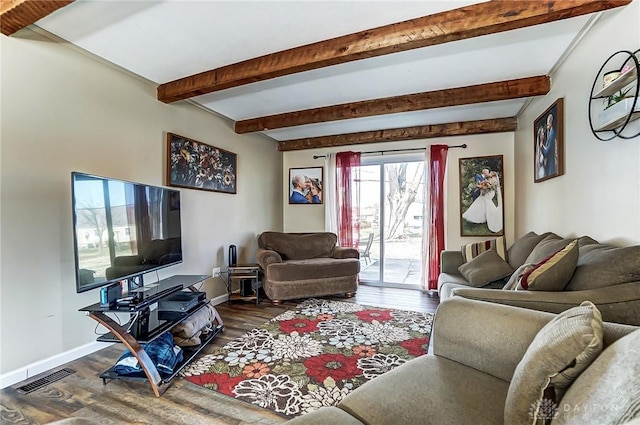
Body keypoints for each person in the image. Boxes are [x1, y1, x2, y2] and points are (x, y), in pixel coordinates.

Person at [462, 169, 503, 233]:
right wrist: (483, 185)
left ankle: (486, 216)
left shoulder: (493, 180)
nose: (489, 174)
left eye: (490, 173)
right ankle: (481, 217)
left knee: (484, 201)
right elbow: (486, 185)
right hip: (487, 193)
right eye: (489, 172)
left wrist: (483, 186)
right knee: (483, 202)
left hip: (489, 193)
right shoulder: (488, 179)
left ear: (493, 175)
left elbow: (490, 187)